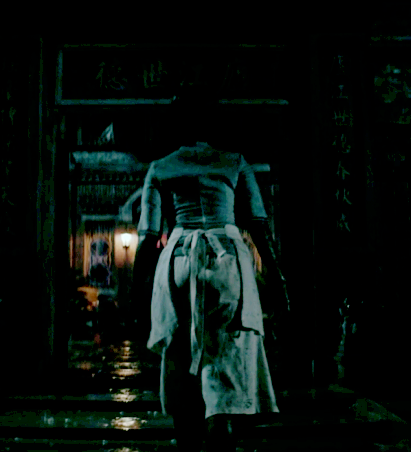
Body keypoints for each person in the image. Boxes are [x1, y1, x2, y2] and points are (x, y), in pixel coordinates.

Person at [133, 87, 290, 452]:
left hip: (177, 263)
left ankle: (187, 448)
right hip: (227, 262)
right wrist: (279, 284)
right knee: (225, 369)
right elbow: (259, 227)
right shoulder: (234, 162)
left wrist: (137, 296)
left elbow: (148, 237)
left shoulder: (161, 166)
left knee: (180, 357)